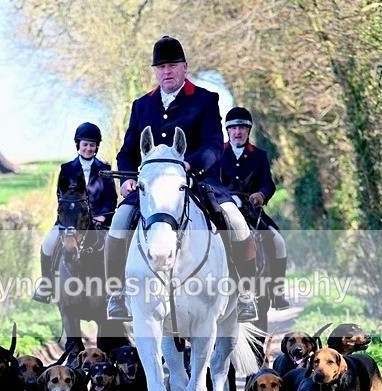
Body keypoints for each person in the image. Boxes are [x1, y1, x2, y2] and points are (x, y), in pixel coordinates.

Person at [105, 35, 259, 322]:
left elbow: (214, 145)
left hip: (198, 182)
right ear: (154, 71)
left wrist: (189, 165)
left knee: (236, 223)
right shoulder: (142, 105)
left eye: (173, 65)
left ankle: (247, 295)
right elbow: (127, 151)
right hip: (151, 186)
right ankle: (117, 294)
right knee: (118, 223)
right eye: (161, 66)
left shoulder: (204, 99)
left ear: (185, 67)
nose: (167, 71)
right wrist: (127, 178)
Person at [32, 122, 117, 303]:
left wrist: (103, 216)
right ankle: (46, 284)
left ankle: (116, 290)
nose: (88, 148)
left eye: (92, 145)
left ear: (96, 147)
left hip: (99, 223)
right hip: (71, 221)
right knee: (48, 243)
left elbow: (111, 198)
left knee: (115, 247)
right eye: (85, 144)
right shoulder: (67, 169)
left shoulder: (105, 169)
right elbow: (60, 196)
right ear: (78, 145)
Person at [217, 106, 290, 310]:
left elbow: (268, 183)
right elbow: (211, 182)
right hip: (223, 212)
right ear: (228, 130)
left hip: (251, 212)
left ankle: (277, 293)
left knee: (279, 242)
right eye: (233, 128)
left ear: (248, 130)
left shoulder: (259, 155)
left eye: (242, 127)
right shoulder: (217, 153)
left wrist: (261, 195)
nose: (238, 132)